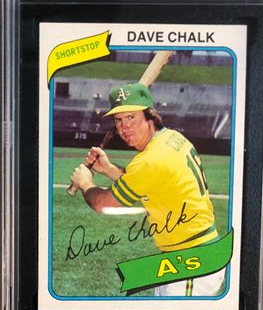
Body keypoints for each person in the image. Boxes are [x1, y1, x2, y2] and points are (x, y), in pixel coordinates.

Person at [69, 82, 224, 297]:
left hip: (192, 262)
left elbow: (102, 203)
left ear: (150, 117)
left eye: (131, 117)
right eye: (118, 120)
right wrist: (109, 169)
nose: (124, 127)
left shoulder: (149, 159)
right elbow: (149, 182)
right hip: (185, 254)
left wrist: (85, 183)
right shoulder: (172, 138)